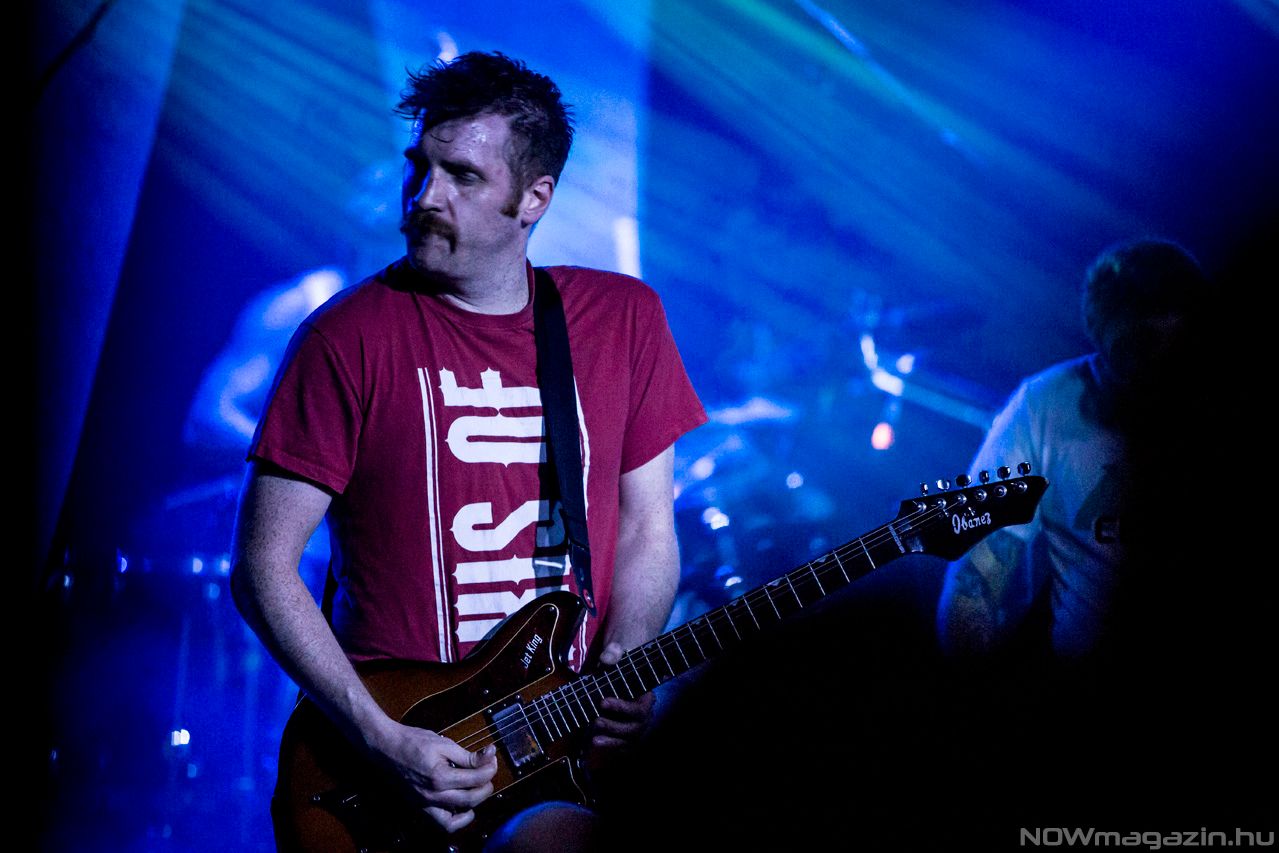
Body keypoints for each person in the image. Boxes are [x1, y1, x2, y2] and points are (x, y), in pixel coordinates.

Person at [229, 51, 706, 848]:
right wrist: (382, 738)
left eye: (462, 176)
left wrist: (627, 657)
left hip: (557, 752)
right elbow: (262, 567)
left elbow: (648, 525)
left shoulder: (621, 320)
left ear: (534, 198)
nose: (424, 196)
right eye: (419, 166)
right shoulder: (343, 338)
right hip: (387, 769)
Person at [936, 237, 1208, 659]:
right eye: (1137, 350)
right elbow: (971, 588)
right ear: (1102, 338)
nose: (1154, 372)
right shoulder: (1045, 404)